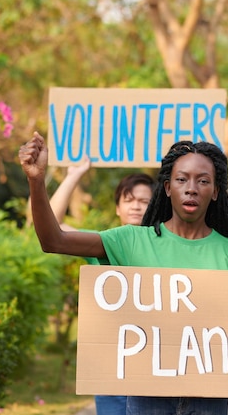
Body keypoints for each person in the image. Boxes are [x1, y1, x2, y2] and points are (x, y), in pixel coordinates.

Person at [19, 131, 228, 415]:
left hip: (209, 401)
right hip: (146, 398)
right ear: (168, 187)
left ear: (216, 192)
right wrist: (36, 181)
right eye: (182, 179)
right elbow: (53, 240)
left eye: (203, 181)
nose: (192, 188)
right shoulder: (130, 241)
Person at [48, 159, 155, 415]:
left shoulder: (168, 247)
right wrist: (74, 175)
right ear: (118, 208)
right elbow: (51, 224)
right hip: (112, 364)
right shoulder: (102, 244)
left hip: (154, 365)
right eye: (129, 200)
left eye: (144, 201)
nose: (136, 206)